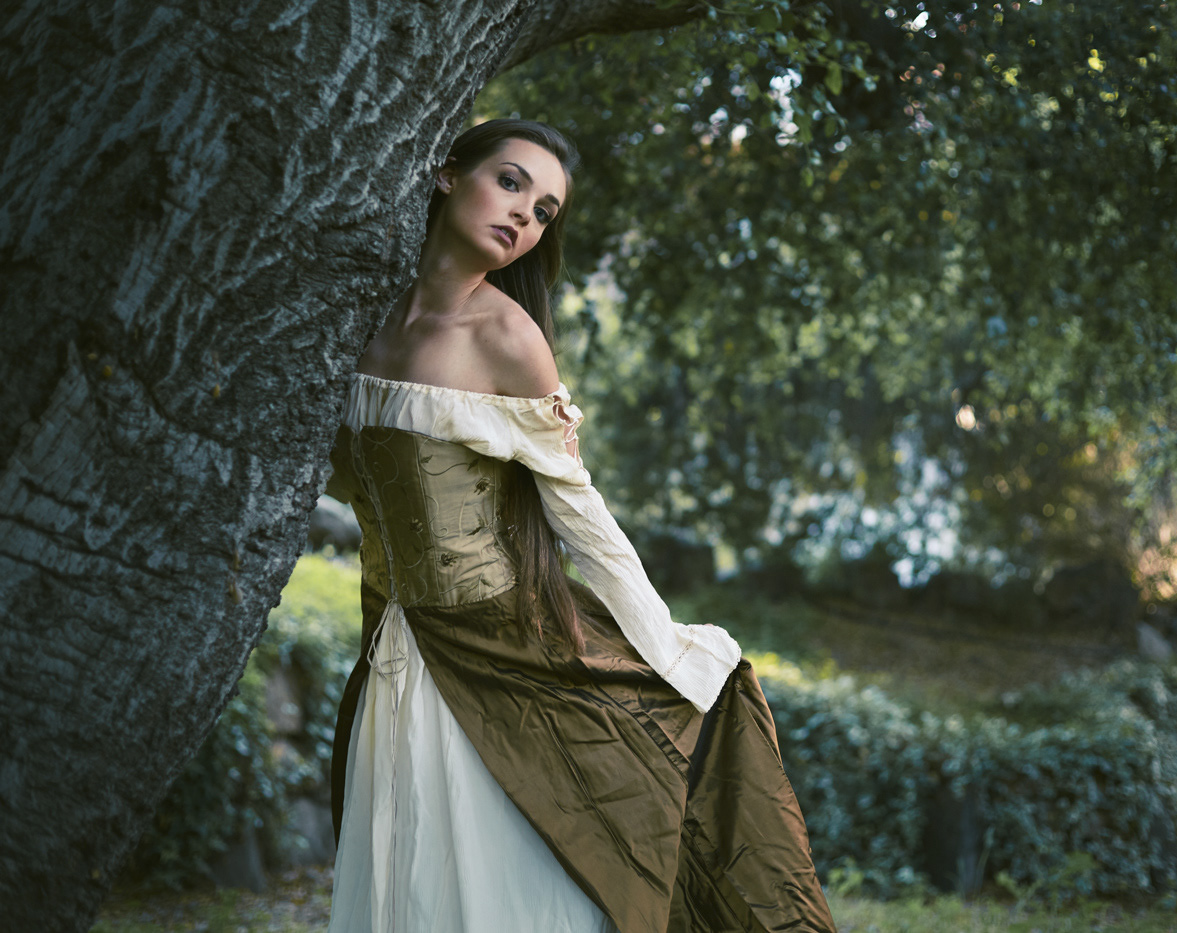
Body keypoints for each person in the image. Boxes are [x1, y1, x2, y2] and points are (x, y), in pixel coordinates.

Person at [323, 118, 835, 932]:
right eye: (514, 182)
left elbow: (581, 514)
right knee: (409, 880)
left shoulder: (508, 339)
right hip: (394, 639)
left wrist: (667, 647)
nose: (527, 216)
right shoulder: (360, 317)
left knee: (500, 890)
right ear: (448, 174)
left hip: (500, 649)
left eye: (547, 212)